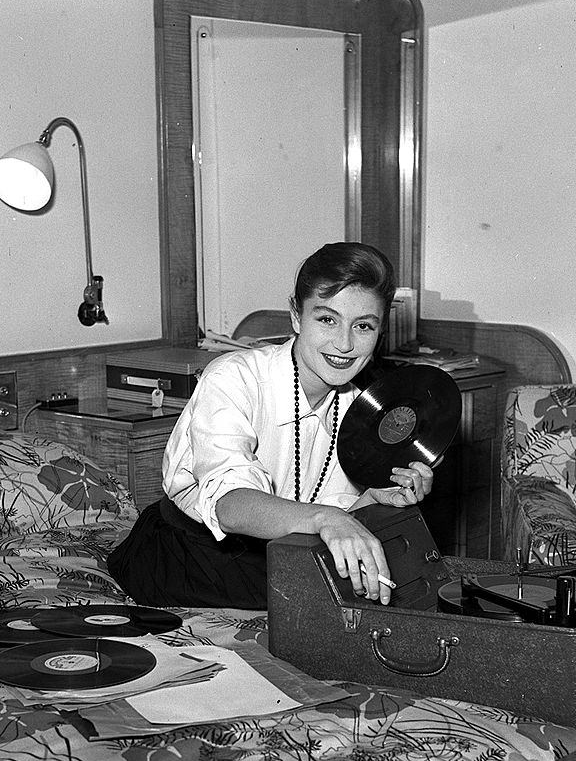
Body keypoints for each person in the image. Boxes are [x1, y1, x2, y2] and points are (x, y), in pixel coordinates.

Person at [107, 241, 434, 609]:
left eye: (363, 326)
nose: (344, 344)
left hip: (289, 553)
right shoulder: (232, 377)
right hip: (192, 555)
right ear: (296, 316)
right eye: (326, 319)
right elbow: (230, 505)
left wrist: (373, 500)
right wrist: (327, 520)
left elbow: (327, 509)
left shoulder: (366, 399)